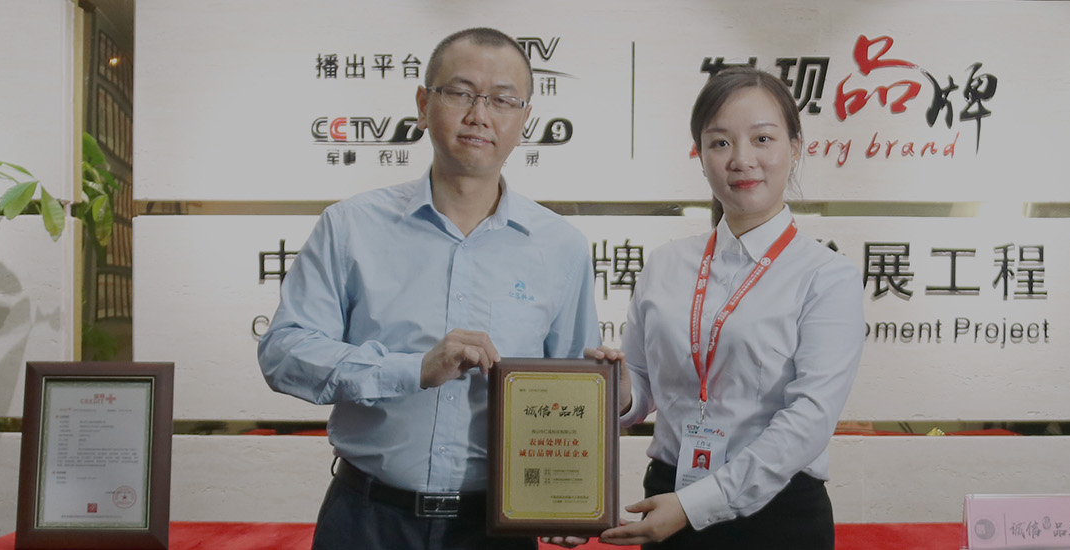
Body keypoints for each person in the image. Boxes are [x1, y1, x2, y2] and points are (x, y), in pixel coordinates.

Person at [257, 27, 608, 550]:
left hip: (494, 530)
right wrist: (413, 369)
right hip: (367, 519)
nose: (479, 115)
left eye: (502, 100)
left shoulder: (560, 247)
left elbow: (571, 387)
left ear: (524, 120)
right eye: (461, 93)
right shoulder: (350, 227)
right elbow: (284, 353)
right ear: (423, 105)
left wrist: (568, 498)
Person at [599, 67, 866, 549]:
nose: (742, 160)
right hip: (668, 494)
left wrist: (696, 505)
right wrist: (619, 391)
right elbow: (641, 388)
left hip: (778, 515)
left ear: (795, 148)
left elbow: (809, 417)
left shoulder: (826, 275)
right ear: (700, 155)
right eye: (720, 143)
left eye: (762, 139)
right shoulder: (666, 264)